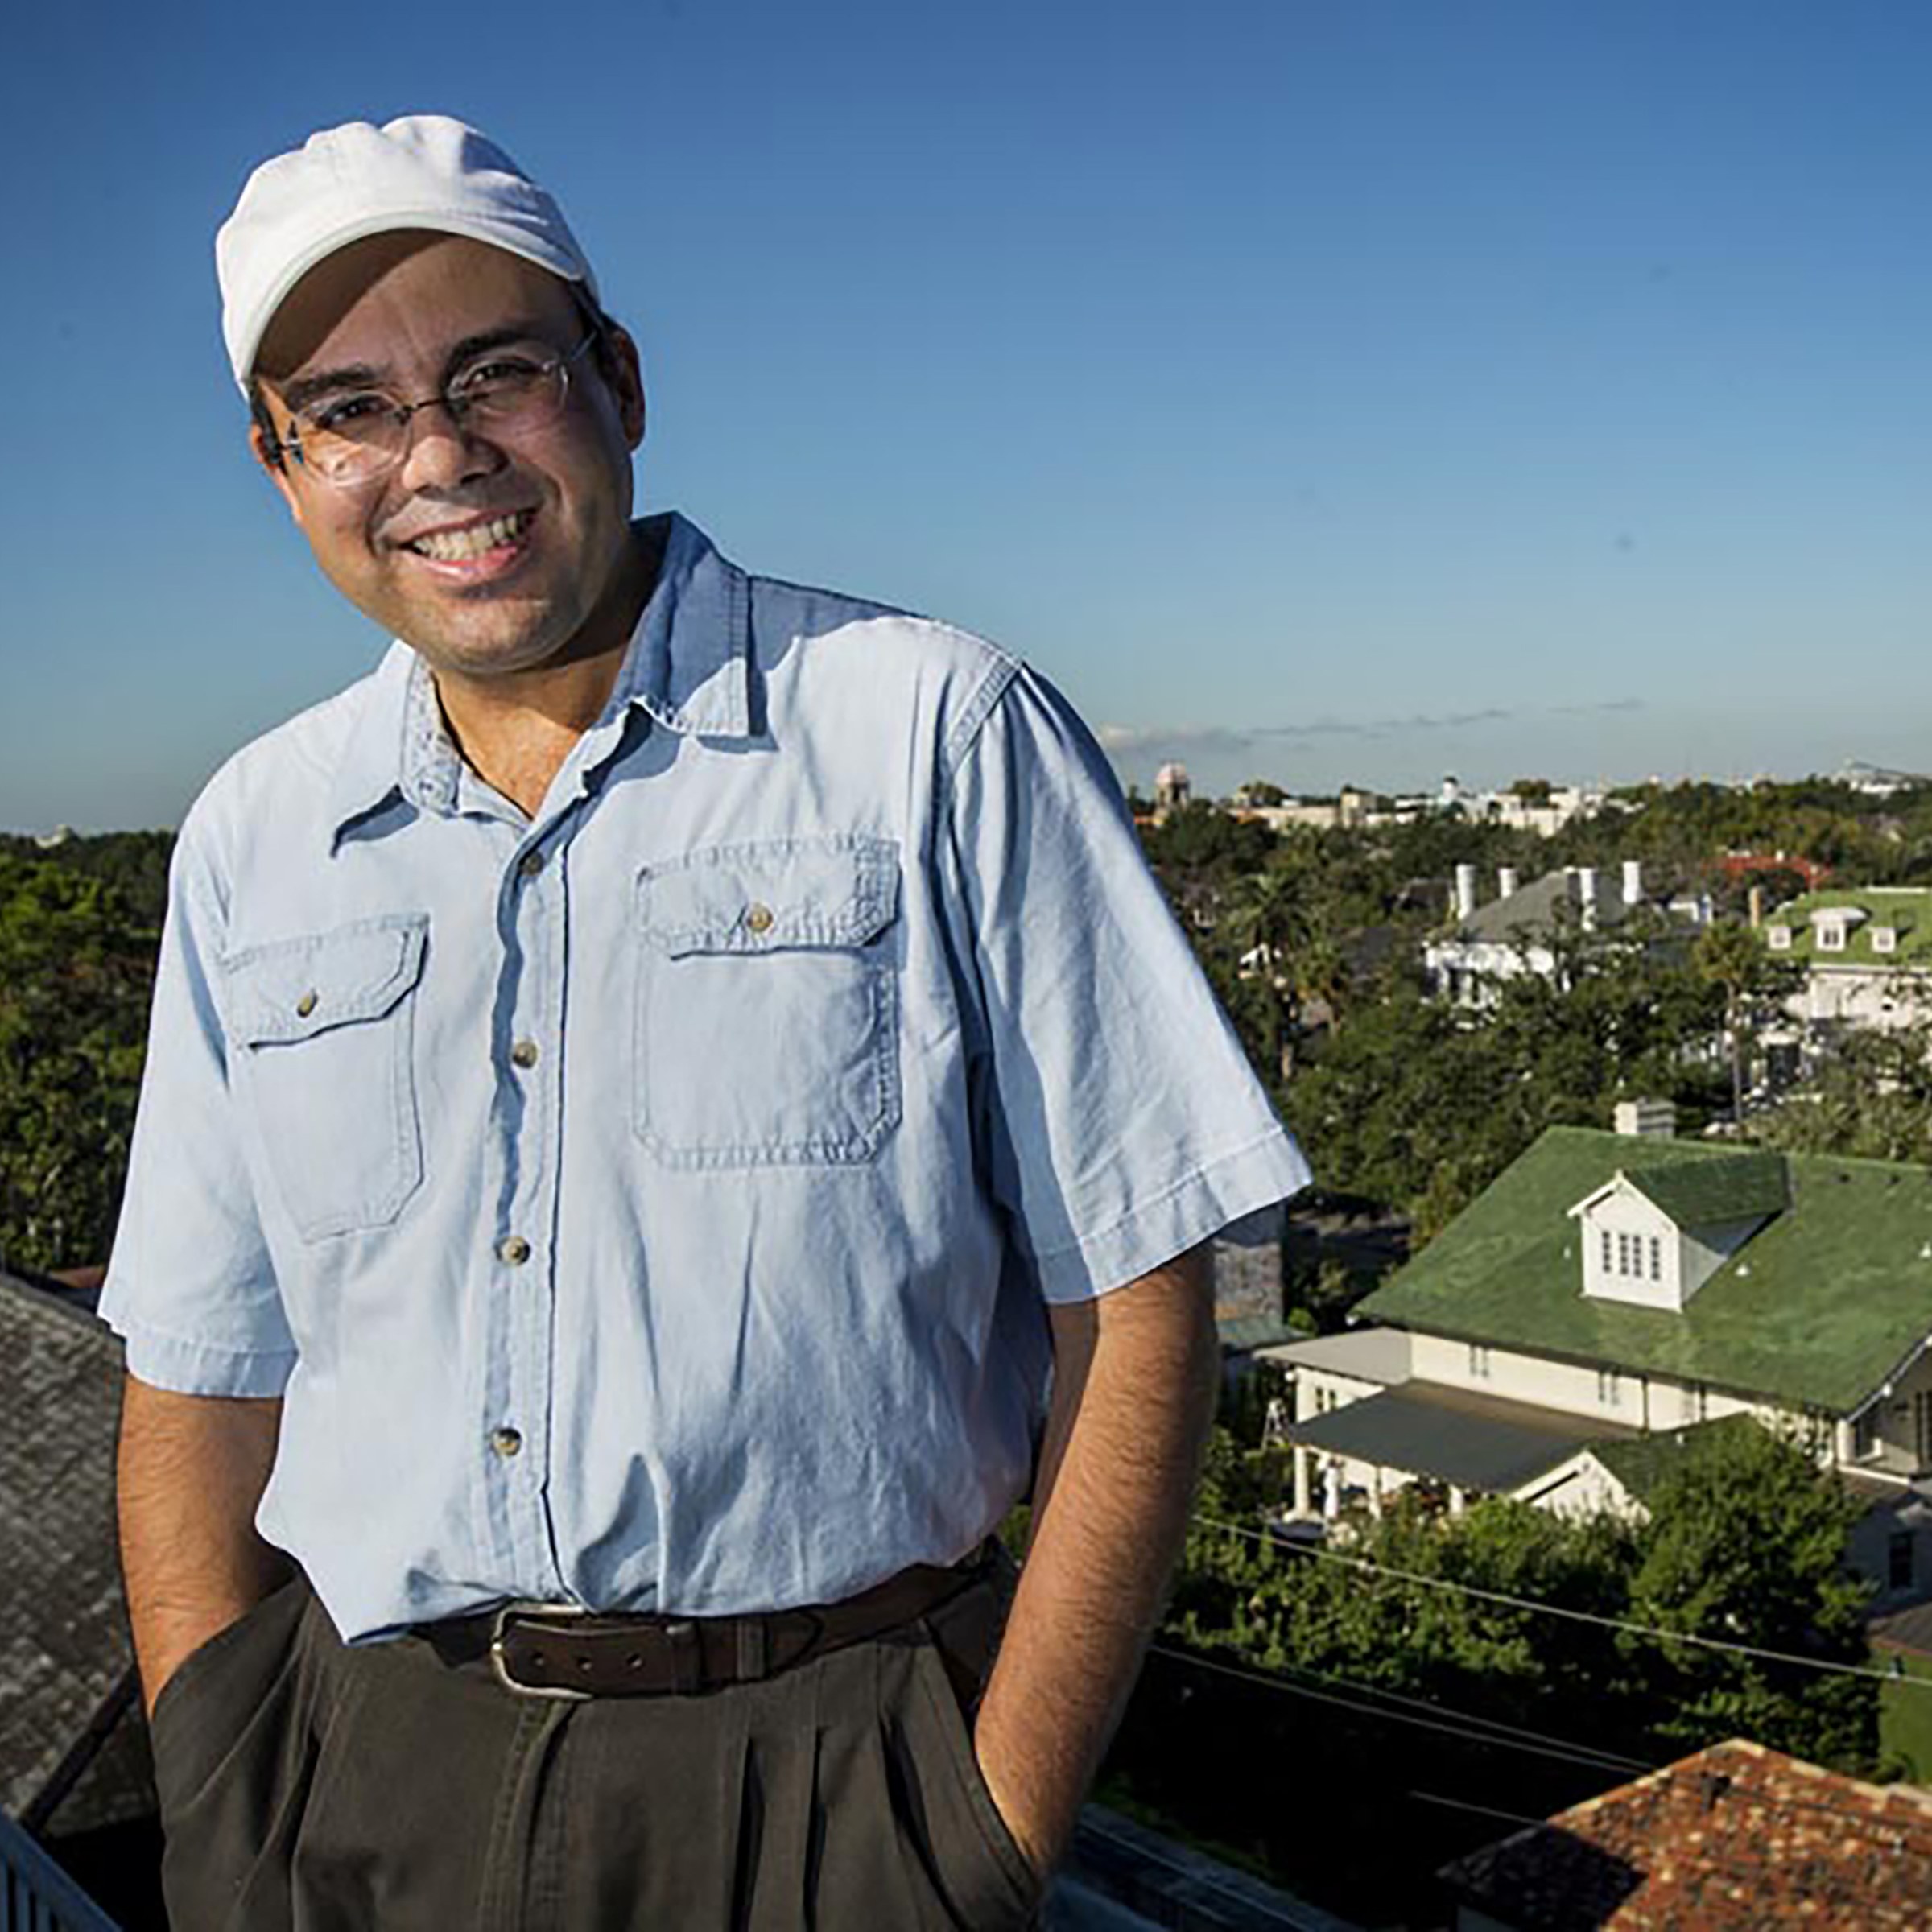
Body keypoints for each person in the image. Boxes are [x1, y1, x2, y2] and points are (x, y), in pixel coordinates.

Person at [101, 114, 1310, 1931]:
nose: (438, 456)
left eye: (495, 371)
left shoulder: (931, 731)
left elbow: (1140, 1296)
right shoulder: (256, 839)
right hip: (366, 1773)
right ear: (283, 470)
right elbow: (201, 1364)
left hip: (832, 1775)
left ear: (620, 381)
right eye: (349, 409)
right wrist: (220, 1785)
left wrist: (979, 1829)